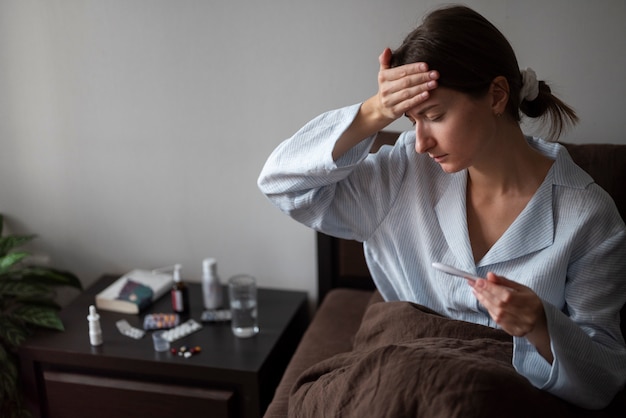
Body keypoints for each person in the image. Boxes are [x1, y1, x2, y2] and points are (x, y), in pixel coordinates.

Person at [258, 4, 626, 410]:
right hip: (399, 376)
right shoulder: (403, 173)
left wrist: (540, 324)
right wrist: (374, 112)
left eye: (434, 116)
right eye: (411, 119)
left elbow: (603, 379)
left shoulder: (589, 217)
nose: (420, 142)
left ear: (497, 95)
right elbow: (281, 184)